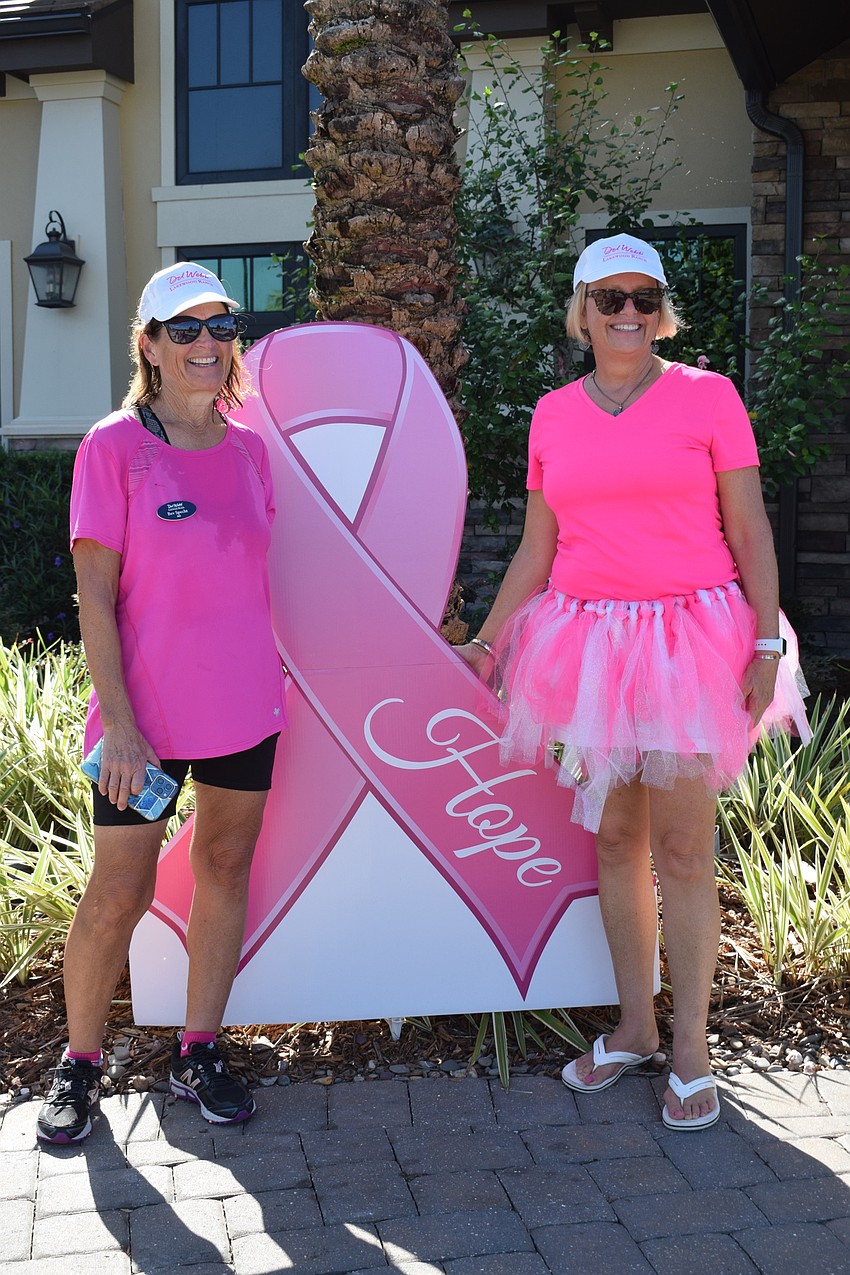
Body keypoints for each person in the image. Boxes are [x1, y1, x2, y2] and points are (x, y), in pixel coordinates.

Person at [458, 233, 810, 1131]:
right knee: (615, 841)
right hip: (589, 645)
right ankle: (637, 1026)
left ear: (662, 312)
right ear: (580, 312)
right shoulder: (552, 413)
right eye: (609, 298)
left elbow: (752, 529)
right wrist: (491, 645)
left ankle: (690, 1048)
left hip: (690, 638)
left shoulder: (707, 396)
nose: (627, 313)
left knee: (687, 848)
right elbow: (539, 546)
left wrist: (765, 643)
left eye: (644, 299)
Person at [37, 264, 286, 1143]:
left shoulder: (253, 450)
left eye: (221, 327)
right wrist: (123, 729)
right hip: (141, 731)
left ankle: (198, 1048)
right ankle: (79, 1063)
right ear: (147, 343)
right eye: (184, 329)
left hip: (245, 714)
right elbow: (94, 599)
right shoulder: (114, 447)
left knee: (223, 870)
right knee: (119, 890)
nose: (207, 345)